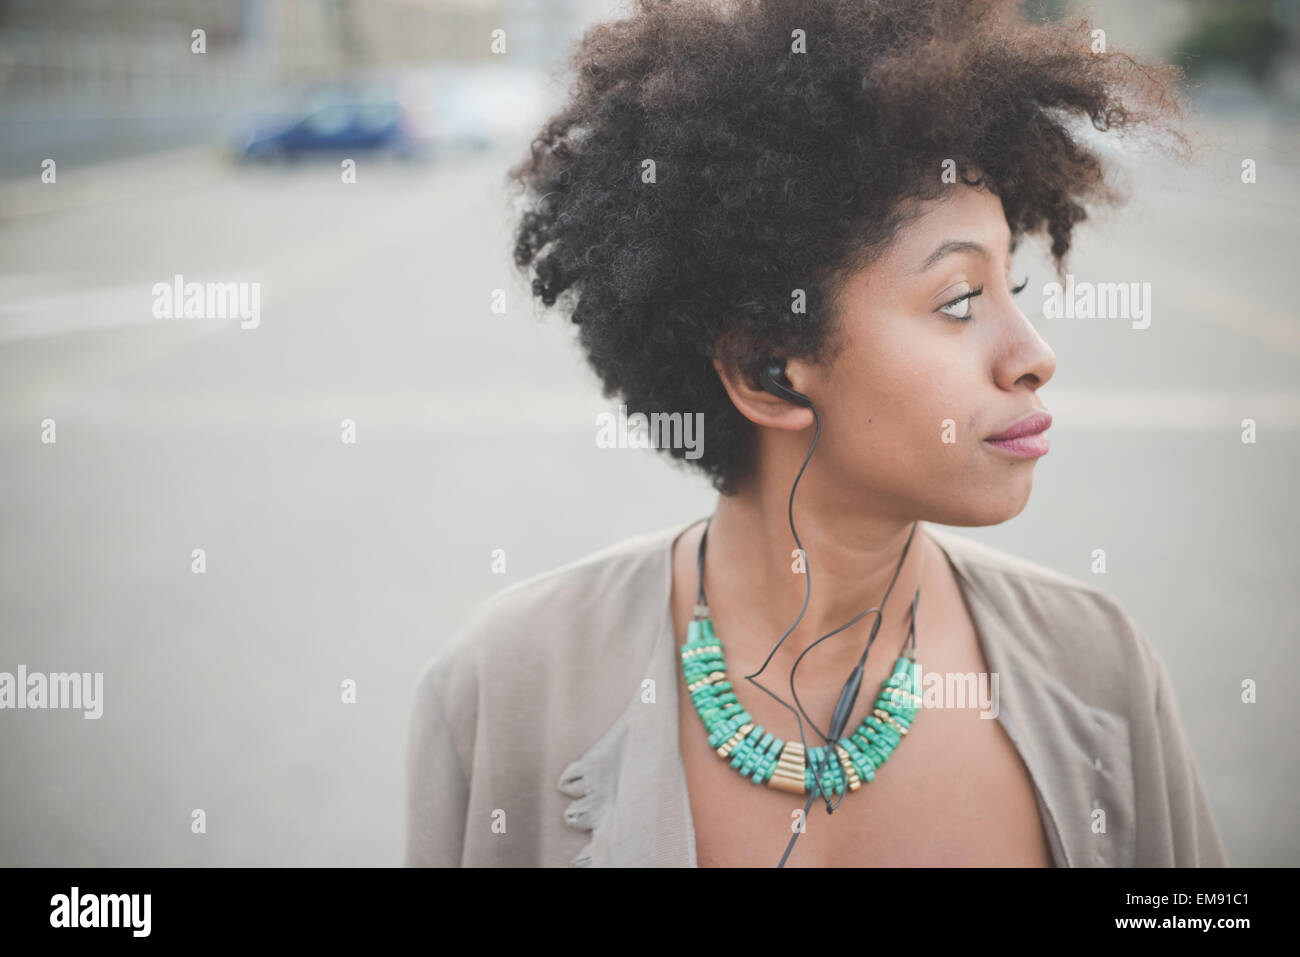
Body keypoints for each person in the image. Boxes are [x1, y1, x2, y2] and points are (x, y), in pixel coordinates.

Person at [406, 0, 1227, 867]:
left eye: (1012, 289)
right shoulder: (512, 686)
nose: (1033, 357)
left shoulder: (1097, 669)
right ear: (769, 370)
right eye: (958, 301)